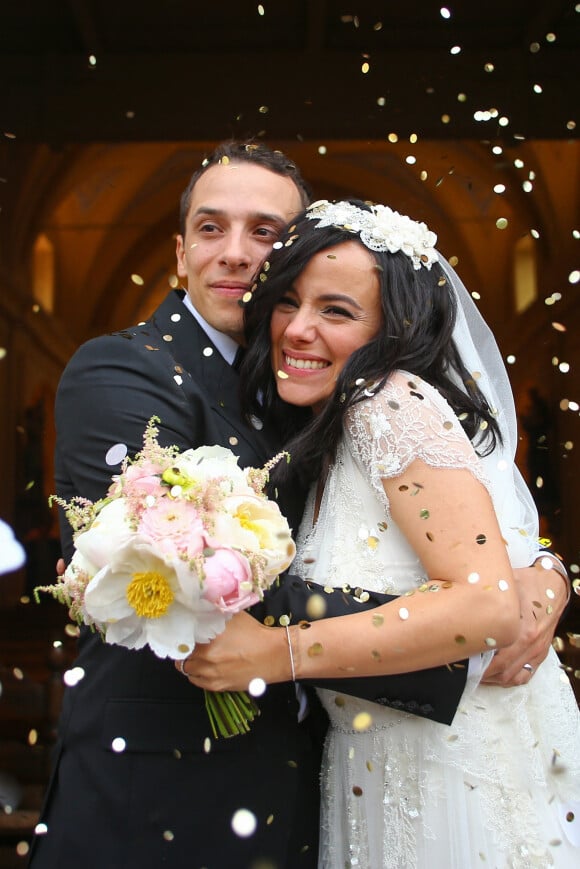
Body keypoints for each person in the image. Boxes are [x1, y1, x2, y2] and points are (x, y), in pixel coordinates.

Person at [30, 142, 487, 869]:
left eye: (266, 233)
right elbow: (187, 573)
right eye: (211, 229)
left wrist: (534, 571)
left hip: (310, 790)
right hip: (158, 798)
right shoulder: (122, 368)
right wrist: (458, 627)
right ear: (180, 254)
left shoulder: (319, 381)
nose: (235, 253)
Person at [183, 199, 580, 867]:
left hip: (454, 778)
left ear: (388, 330)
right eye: (288, 302)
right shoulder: (332, 429)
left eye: (336, 311)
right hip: (376, 768)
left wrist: (278, 653)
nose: (298, 329)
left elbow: (484, 603)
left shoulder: (388, 401)